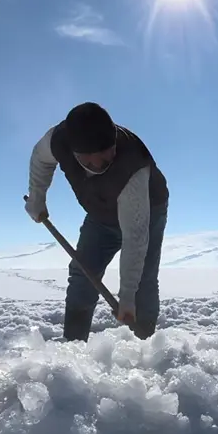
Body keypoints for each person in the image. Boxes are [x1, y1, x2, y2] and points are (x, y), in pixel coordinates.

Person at [24, 102, 170, 341]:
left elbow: (135, 238)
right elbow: (40, 159)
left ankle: (146, 348)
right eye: (89, 162)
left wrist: (127, 297)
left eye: (107, 155)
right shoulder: (58, 140)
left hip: (148, 211)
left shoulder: (132, 166)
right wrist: (37, 197)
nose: (100, 165)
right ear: (74, 152)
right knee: (83, 273)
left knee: (142, 280)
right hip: (101, 215)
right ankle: (74, 347)